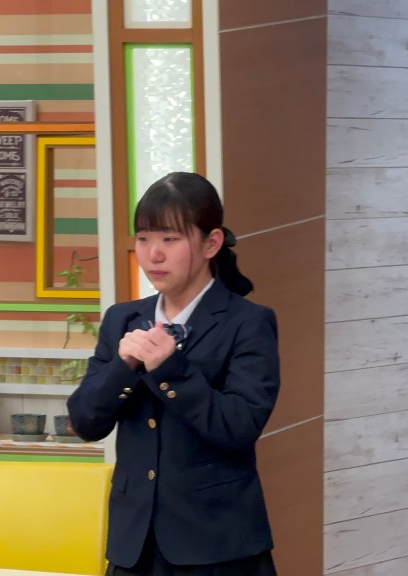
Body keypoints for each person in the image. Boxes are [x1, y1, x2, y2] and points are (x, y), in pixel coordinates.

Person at [67, 172, 280, 575]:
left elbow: (239, 427)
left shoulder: (248, 323)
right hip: (133, 546)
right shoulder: (122, 319)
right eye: (143, 238)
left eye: (170, 239)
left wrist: (170, 369)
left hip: (217, 547)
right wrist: (124, 367)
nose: (153, 254)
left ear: (211, 243)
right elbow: (85, 422)